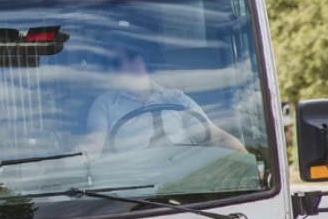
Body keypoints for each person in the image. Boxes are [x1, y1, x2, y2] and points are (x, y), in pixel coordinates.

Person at [85, 47, 246, 157]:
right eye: (117, 63)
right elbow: (94, 142)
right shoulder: (105, 105)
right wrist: (83, 153)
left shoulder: (176, 98)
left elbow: (217, 137)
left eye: (132, 56)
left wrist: (245, 157)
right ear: (111, 71)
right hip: (129, 189)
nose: (128, 66)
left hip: (184, 185)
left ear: (145, 59)